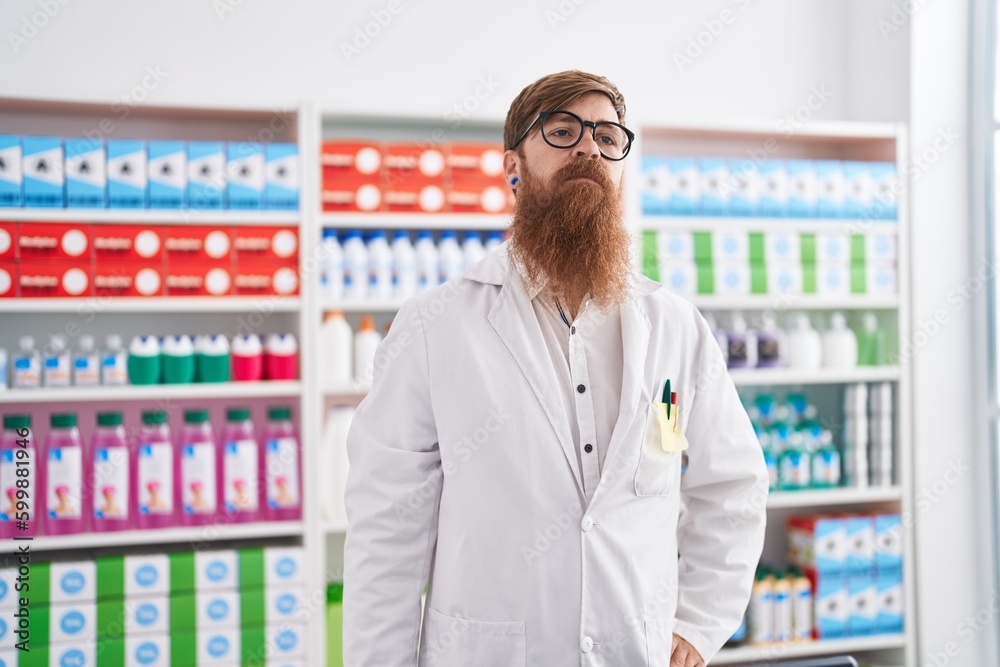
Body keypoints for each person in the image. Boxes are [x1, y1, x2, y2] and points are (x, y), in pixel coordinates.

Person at [343, 70, 768, 667]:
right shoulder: (434, 326)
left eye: (607, 136)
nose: (590, 148)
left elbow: (733, 487)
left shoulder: (674, 326)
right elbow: (386, 531)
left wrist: (698, 625)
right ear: (512, 166)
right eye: (563, 131)